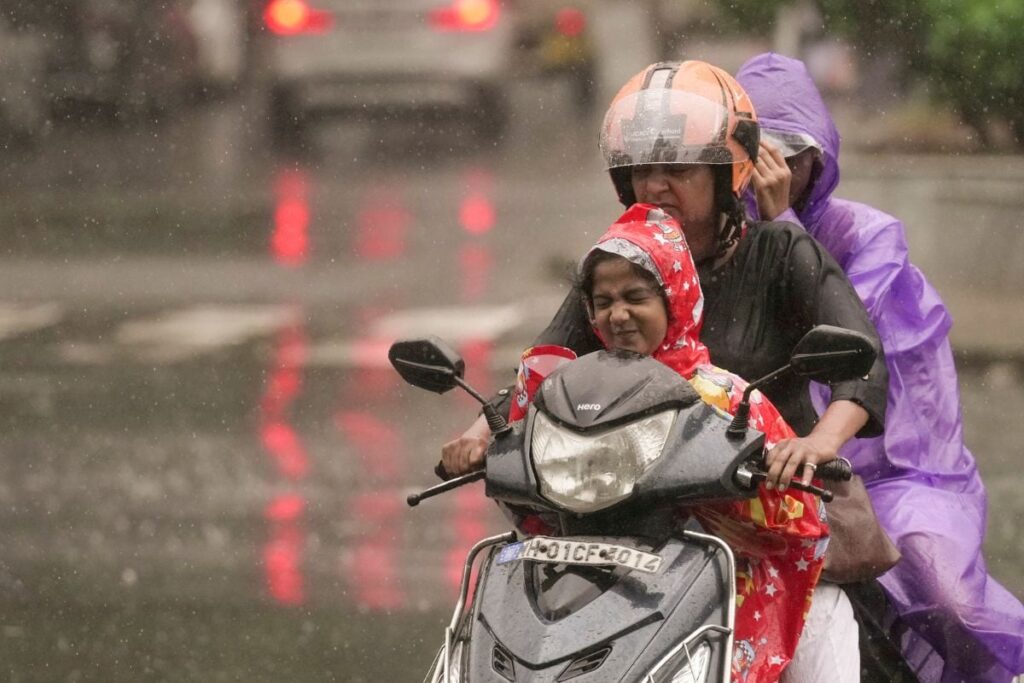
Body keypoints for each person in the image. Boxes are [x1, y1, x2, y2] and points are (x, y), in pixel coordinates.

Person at [736, 52, 1024, 683]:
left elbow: (838, 322)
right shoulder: (711, 237)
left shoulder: (865, 237)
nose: (773, 168)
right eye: (758, 148)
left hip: (894, 473)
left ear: (822, 156)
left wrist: (781, 222)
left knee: (955, 607)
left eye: (793, 149)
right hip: (754, 471)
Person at [508, 202, 839, 683]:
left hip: (703, 595)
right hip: (579, 585)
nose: (617, 315)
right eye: (603, 302)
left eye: (635, 297)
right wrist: (487, 448)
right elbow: (525, 469)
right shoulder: (567, 390)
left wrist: (775, 473)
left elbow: (801, 523)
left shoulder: (727, 397)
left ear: (674, 296)